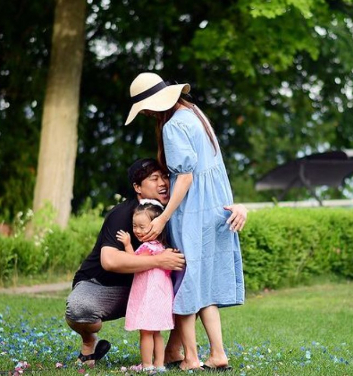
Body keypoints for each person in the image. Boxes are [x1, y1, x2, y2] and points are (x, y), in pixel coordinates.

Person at [65, 158, 247, 368]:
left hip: (151, 287)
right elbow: (109, 260)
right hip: (105, 286)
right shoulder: (124, 213)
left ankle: (171, 351)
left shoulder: (174, 211)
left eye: (165, 177)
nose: (163, 183)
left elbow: (208, 213)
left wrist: (239, 208)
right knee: (79, 308)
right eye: (154, 178)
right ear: (137, 187)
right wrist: (158, 260)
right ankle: (89, 342)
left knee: (190, 286)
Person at [125, 72, 245, 371]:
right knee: (203, 282)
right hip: (217, 202)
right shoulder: (194, 112)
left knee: (188, 281)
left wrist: (164, 217)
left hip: (195, 208)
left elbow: (186, 176)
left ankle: (190, 356)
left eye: (147, 108)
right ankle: (216, 353)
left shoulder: (173, 125)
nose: (149, 113)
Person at [116, 200, 174, 373]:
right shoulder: (161, 247)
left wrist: (127, 244)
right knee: (156, 332)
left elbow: (133, 260)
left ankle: (147, 365)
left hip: (149, 296)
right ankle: (159, 365)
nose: (137, 230)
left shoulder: (147, 247)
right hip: (160, 295)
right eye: (135, 226)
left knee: (146, 332)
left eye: (142, 227)